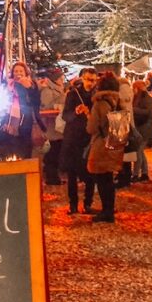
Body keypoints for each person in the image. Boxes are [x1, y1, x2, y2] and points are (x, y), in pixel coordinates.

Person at [87, 72, 124, 223]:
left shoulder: (100, 103)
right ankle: (109, 209)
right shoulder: (117, 102)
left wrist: (88, 117)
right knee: (108, 178)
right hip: (115, 142)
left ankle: (106, 211)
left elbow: (91, 128)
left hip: (101, 145)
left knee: (101, 178)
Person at [62, 68, 98, 214]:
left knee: (90, 173)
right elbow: (65, 115)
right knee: (72, 174)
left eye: (94, 80)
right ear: (82, 78)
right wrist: (76, 112)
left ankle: (88, 203)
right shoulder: (73, 94)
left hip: (89, 138)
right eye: (88, 79)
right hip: (73, 138)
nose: (91, 83)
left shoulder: (98, 96)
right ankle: (73, 204)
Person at [4, 61, 43, 160]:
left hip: (26, 118)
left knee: (26, 144)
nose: (18, 73)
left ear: (26, 72)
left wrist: (29, 88)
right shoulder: (9, 85)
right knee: (13, 144)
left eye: (21, 71)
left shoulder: (31, 84)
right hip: (12, 119)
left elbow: (36, 100)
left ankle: (26, 163)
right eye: (16, 71)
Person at [39, 68, 67, 185]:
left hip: (58, 125)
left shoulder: (58, 89)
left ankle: (54, 176)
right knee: (53, 152)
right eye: (61, 78)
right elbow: (46, 106)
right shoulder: (47, 90)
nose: (63, 80)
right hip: (51, 125)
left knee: (57, 150)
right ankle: (51, 177)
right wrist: (63, 98)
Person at [131, 80, 152, 182]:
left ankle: (136, 174)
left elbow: (147, 112)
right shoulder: (139, 98)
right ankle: (145, 173)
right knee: (140, 152)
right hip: (143, 127)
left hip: (146, 128)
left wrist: (133, 109)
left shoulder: (146, 98)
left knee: (138, 151)